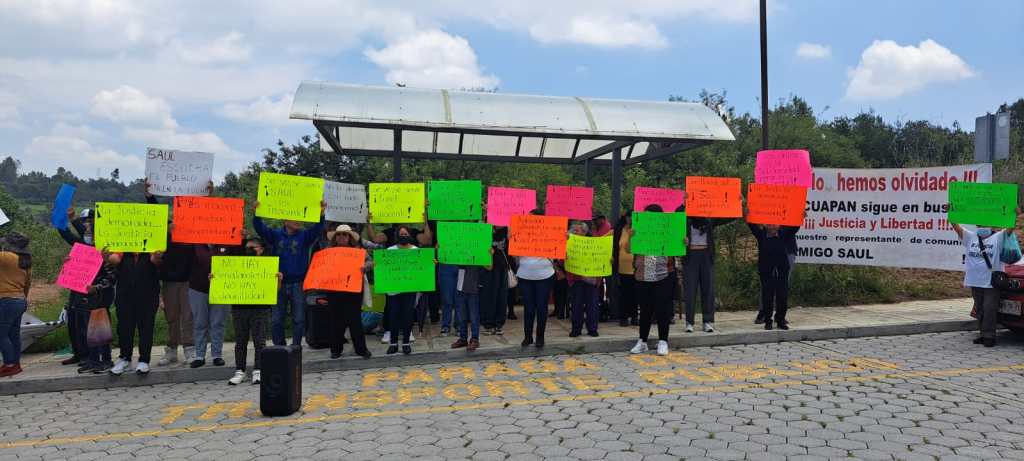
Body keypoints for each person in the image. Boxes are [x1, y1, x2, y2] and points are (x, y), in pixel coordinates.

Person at [253, 201, 326, 347]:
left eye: (300, 218)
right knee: (276, 319)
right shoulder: (275, 235)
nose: (298, 221)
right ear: (285, 221)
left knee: (299, 319)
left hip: (298, 283)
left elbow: (318, 228)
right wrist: (257, 213)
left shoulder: (305, 236)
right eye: (295, 218)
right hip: (278, 283)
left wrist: (321, 213)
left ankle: (296, 347)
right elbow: (260, 228)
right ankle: (280, 348)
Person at [145, 184, 197, 367]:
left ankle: (190, 349)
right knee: (172, 316)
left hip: (189, 281)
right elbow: (155, 211)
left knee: (188, 316)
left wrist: (208, 194)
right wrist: (149, 196)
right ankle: (171, 350)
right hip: (169, 280)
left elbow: (207, 215)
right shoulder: (165, 227)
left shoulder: (194, 229)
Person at [952, 220, 1015, 347]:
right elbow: (957, 228)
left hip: (991, 282)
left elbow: (1010, 228)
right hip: (975, 280)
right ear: (977, 225)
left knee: (989, 308)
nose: (983, 226)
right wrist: (951, 214)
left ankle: (989, 336)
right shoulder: (970, 236)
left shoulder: (998, 237)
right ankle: (983, 334)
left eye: (986, 223)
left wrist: (1014, 214)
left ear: (992, 224)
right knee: (980, 308)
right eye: (980, 224)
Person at [680, 197, 737, 333]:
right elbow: (675, 215)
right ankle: (689, 322)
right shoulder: (685, 218)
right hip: (690, 256)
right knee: (690, 291)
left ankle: (708, 321)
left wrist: (737, 202)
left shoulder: (709, 218)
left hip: (706, 255)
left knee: (708, 289)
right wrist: (684, 203)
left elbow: (730, 216)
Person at [227, 238, 278, 385]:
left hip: (260, 308)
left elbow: (275, 290)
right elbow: (226, 281)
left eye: (252, 248)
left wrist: (278, 279)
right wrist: (215, 278)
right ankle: (240, 371)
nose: (248, 250)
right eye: (247, 248)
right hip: (239, 308)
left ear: (261, 249)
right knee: (240, 341)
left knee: (259, 341)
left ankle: (258, 370)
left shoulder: (268, 265)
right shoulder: (236, 264)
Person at [629, 205, 677, 356]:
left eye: (651, 216)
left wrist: (683, 242)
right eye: (646, 215)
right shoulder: (639, 230)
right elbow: (628, 249)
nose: (648, 218)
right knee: (645, 310)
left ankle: (663, 341)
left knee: (662, 309)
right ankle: (642, 341)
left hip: (663, 275)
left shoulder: (667, 231)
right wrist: (631, 237)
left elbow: (678, 249)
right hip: (643, 275)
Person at [107, 249, 161, 375]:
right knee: (124, 327)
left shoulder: (152, 245)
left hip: (148, 295)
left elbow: (157, 261)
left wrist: (156, 256)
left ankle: (144, 360)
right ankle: (125, 359)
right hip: (125, 295)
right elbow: (114, 259)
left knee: (146, 327)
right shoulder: (123, 247)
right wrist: (107, 256)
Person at [189, 242, 241, 368]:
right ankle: (199, 356)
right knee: (200, 323)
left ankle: (217, 355)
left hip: (222, 288)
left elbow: (237, 261)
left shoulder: (228, 244)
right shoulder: (195, 244)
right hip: (198, 288)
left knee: (218, 323)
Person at [324, 225, 372, 359]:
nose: (341, 237)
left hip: (353, 289)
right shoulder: (328, 252)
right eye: (339, 234)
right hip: (334, 289)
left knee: (355, 320)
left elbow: (370, 262)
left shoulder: (358, 251)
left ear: (349, 237)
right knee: (336, 320)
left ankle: (361, 349)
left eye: (344, 234)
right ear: (335, 238)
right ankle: (335, 350)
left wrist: (365, 267)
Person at [56, 208, 94, 366]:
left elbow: (82, 236)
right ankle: (78, 353)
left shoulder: (99, 243)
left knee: (85, 322)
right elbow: (69, 236)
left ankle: (88, 355)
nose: (86, 225)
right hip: (76, 285)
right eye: (84, 221)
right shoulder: (83, 242)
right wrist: (61, 223)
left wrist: (73, 220)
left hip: (92, 288)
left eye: (89, 221)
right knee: (73, 319)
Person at [748, 222, 801, 331]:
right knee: (767, 296)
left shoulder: (783, 234)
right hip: (766, 270)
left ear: (779, 225)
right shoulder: (761, 234)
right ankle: (768, 320)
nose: (772, 226)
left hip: (782, 270)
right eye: (769, 224)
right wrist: (748, 216)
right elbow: (752, 225)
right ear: (765, 225)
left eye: (774, 224)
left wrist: (800, 217)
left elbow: (795, 227)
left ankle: (780, 320)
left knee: (782, 296)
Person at [516, 211, 556, 348]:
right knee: (528, 308)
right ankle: (528, 337)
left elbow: (558, 251)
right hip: (525, 276)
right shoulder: (520, 233)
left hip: (545, 275)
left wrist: (563, 239)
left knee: (541, 307)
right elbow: (515, 252)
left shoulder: (550, 234)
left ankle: (540, 337)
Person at [75, 256, 116, 374]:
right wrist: (68, 265)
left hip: (100, 296)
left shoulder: (106, 253)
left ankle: (106, 360)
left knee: (101, 329)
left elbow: (112, 276)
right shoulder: (82, 251)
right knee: (87, 329)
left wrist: (97, 287)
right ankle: (93, 360)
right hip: (83, 294)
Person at [0, 233, 30, 377]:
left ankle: (9, 364)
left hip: (6, 300)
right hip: (19, 300)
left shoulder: (5, 257)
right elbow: (27, 284)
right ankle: (15, 364)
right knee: (13, 335)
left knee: (1, 335)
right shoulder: (24, 260)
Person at [450, 249, 493, 352]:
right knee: (461, 316)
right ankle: (463, 338)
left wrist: (490, 255)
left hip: (474, 288)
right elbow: (449, 258)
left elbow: (489, 267)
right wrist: (442, 249)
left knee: (474, 316)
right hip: (460, 287)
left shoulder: (479, 251)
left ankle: (474, 339)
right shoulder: (460, 249)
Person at [566, 221, 601, 337]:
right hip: (575, 279)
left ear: (585, 232)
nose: (574, 232)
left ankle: (592, 328)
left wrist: (608, 260)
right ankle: (576, 329)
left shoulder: (594, 243)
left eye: (577, 230)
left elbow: (601, 258)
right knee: (576, 305)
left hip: (591, 279)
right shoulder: (569, 243)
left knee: (592, 305)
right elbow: (562, 261)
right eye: (573, 230)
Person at [480, 226, 511, 335]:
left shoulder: (507, 229)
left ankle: (499, 324)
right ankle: (488, 324)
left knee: (502, 297)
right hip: (488, 267)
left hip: (502, 267)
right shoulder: (484, 227)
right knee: (489, 295)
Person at [615, 211, 638, 326]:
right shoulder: (619, 230)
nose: (630, 219)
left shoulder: (638, 229)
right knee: (624, 293)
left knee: (635, 294)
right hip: (622, 267)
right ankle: (623, 317)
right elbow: (613, 245)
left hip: (636, 267)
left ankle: (634, 316)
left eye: (633, 217)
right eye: (629, 216)